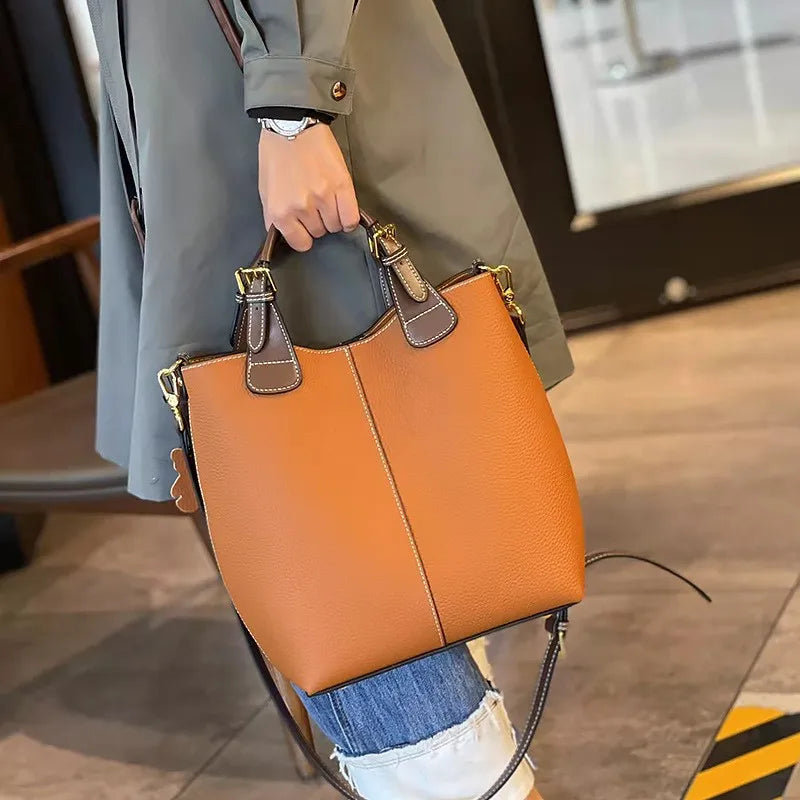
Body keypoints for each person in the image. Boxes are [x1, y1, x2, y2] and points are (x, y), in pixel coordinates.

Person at [86, 1, 573, 797]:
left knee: (331, 553)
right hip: (215, 120)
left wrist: (291, 106)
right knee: (372, 521)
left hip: (266, 106)